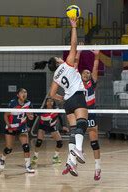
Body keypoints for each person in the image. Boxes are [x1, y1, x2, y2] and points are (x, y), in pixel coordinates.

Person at [33, 18, 88, 177]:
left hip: (68, 102)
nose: (61, 57)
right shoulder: (67, 64)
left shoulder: (56, 75)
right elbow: (73, 44)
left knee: (73, 130)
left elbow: (51, 95)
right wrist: (74, 27)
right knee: (82, 125)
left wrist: (62, 99)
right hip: (77, 97)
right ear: (58, 61)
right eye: (59, 58)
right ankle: (77, 149)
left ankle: (71, 162)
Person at [62, 48, 101, 180]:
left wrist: (96, 56)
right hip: (79, 111)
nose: (86, 73)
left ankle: (97, 168)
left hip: (90, 113)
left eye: (88, 73)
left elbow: (95, 69)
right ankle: (71, 163)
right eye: (84, 72)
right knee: (74, 134)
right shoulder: (76, 82)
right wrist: (77, 52)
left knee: (94, 141)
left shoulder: (92, 84)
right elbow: (75, 65)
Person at [0, 88, 35, 173]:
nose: (24, 94)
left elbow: (30, 115)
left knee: (26, 146)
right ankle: (2, 159)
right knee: (9, 149)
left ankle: (28, 166)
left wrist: (30, 116)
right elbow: (5, 115)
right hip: (11, 127)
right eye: (22, 92)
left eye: (25, 92)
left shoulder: (28, 103)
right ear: (18, 95)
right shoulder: (13, 103)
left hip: (22, 127)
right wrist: (9, 126)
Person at [31, 97, 65, 165]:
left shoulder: (56, 110)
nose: (50, 102)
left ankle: (55, 157)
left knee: (60, 143)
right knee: (39, 142)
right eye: (48, 101)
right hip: (42, 126)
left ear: (53, 103)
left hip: (52, 126)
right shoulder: (42, 110)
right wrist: (32, 116)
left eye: (51, 101)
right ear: (46, 103)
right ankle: (35, 157)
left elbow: (60, 117)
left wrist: (63, 126)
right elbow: (34, 115)